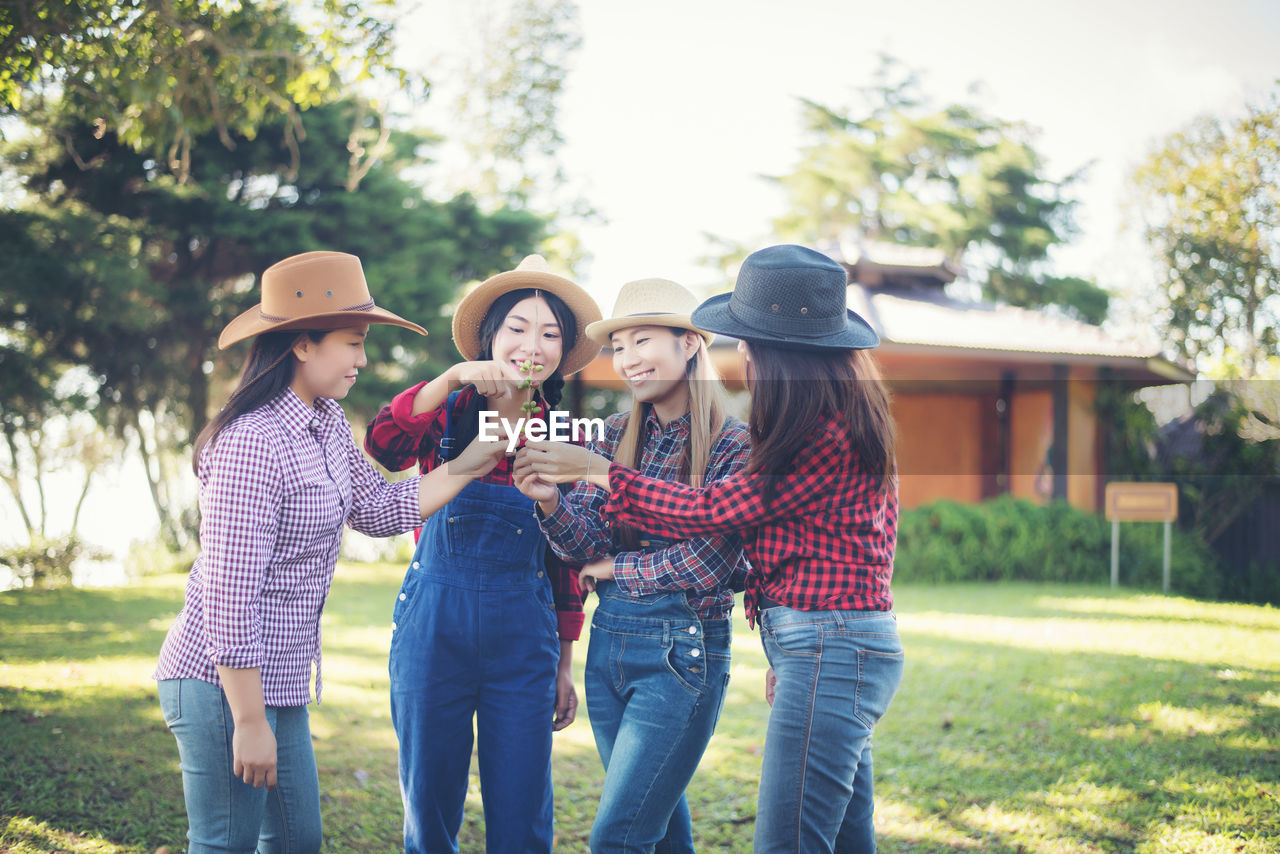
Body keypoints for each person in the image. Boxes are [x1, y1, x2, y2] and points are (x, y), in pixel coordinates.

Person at [519, 245, 904, 854]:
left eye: (751, 341)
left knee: (782, 844)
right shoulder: (827, 420)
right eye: (618, 346)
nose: (744, 353)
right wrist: (554, 502)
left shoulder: (808, 437)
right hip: (815, 642)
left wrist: (606, 501)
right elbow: (825, 556)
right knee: (845, 841)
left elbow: (714, 526)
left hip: (816, 644)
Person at [155, 251, 508, 854]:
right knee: (226, 844)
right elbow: (228, 592)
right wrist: (246, 720)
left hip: (282, 678)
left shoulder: (324, 423)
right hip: (223, 684)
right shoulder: (252, 443)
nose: (363, 359)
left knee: (297, 841)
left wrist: (479, 455)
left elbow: (377, 508)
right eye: (353, 341)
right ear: (302, 344)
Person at [363, 254, 602, 854]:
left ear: (563, 353)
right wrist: (447, 380)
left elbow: (566, 562)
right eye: (518, 327)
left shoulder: (563, 436)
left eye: (551, 334)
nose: (533, 344)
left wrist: (563, 661)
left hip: (524, 638)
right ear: (491, 336)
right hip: (431, 629)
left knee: (521, 808)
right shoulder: (447, 412)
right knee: (429, 799)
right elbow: (385, 446)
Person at [512, 278, 750, 853]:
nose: (628, 360)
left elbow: (714, 559)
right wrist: (548, 500)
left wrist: (618, 569)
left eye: (642, 341)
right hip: (611, 646)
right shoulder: (616, 436)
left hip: (683, 652)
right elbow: (582, 547)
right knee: (661, 833)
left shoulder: (733, 444)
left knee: (618, 838)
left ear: (689, 343)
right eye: (619, 347)